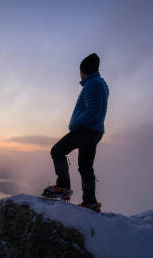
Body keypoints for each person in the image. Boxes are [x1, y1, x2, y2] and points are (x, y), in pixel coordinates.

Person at [42, 53, 109, 213]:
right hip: (95, 131)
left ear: (83, 71)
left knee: (57, 151)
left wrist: (75, 123)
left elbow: (93, 110)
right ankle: (90, 202)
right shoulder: (99, 83)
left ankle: (63, 186)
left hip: (86, 130)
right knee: (85, 167)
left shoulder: (92, 84)